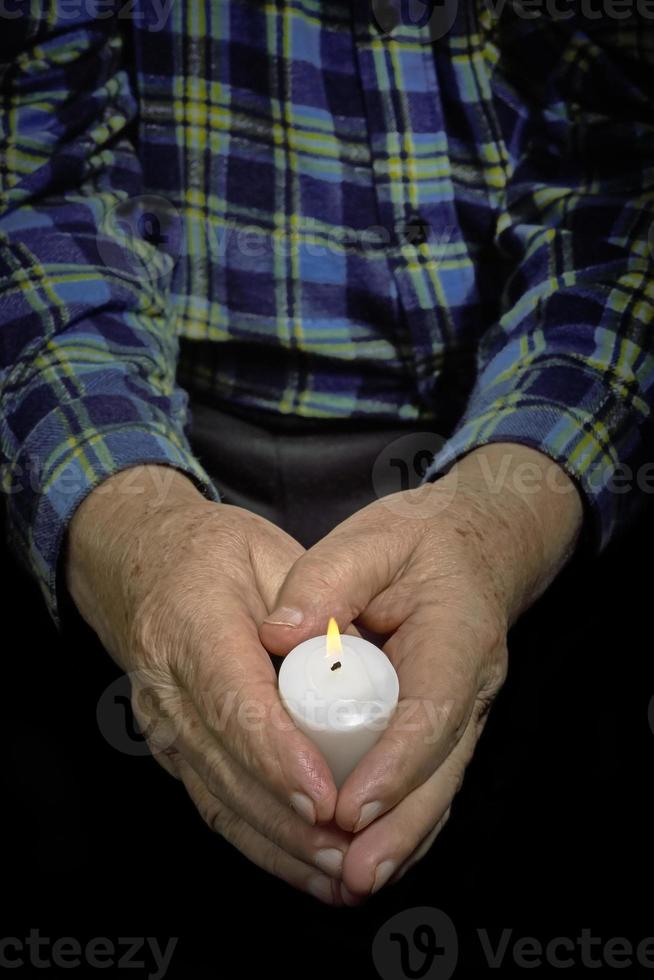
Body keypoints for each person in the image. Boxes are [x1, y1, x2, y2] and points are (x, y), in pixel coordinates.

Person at [1, 1, 652, 909]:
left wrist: (507, 513)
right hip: (139, 437)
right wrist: (130, 525)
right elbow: (31, 175)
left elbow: (629, 190)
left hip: (544, 470)